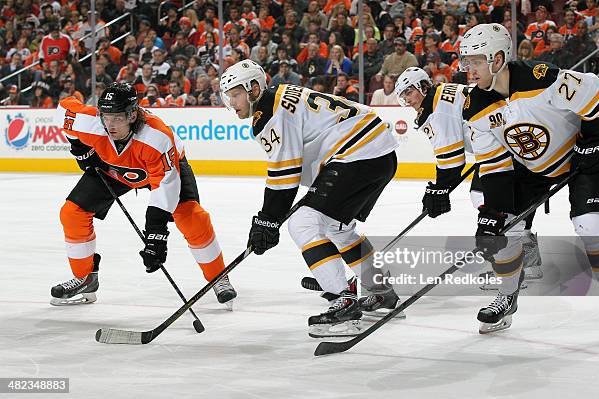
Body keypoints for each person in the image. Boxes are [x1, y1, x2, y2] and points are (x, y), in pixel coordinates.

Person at [220, 60, 402, 337]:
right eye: (228, 96)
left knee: (302, 223)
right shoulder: (279, 97)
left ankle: (343, 303)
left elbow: (285, 172)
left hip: (357, 153)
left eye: (235, 94)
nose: (232, 102)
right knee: (335, 227)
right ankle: (381, 290)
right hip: (378, 154)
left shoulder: (269, 113)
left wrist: (267, 220)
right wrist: (269, 218)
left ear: (253, 88)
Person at [459, 23, 599, 333]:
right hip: (530, 169)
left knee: (592, 223)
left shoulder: (540, 77)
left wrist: (594, 137)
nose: (468, 69)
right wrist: (492, 212)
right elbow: (492, 163)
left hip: (580, 159)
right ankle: (507, 296)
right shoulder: (475, 106)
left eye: (475, 61)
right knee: (504, 229)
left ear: (498, 59)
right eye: (466, 62)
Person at [50, 83, 237, 308]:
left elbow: (164, 188)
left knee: (192, 217)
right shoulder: (91, 122)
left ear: (132, 114)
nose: (109, 125)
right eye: (105, 117)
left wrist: (156, 236)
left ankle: (218, 277)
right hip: (113, 168)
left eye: (117, 118)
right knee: (72, 213)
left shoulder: (156, 137)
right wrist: (80, 149)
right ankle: (85, 278)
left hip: (158, 170)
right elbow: (63, 112)